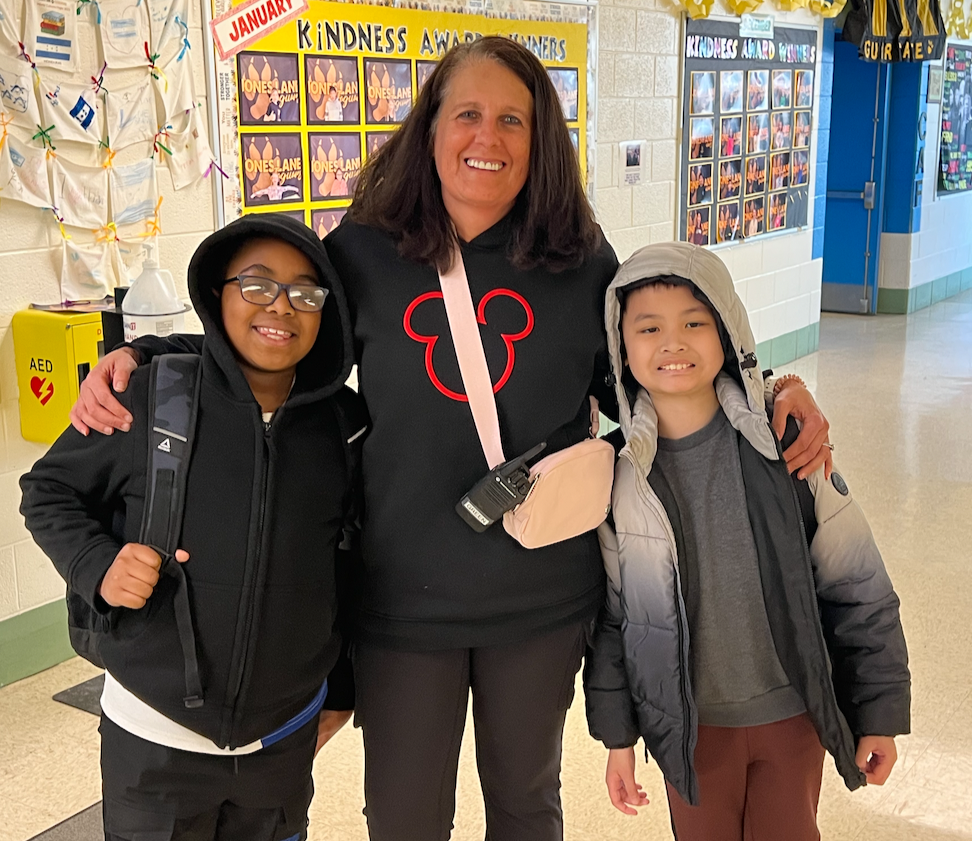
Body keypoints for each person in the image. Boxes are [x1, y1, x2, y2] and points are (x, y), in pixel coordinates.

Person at [68, 37, 833, 841]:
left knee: (526, 803)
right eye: (467, 114)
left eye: (513, 120)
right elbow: (272, 345)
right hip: (400, 599)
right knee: (404, 815)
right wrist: (147, 355)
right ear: (431, 127)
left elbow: (657, 383)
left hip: (540, 597)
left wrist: (776, 389)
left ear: (540, 141)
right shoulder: (364, 252)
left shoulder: (580, 258)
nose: (487, 137)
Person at [22, 214, 364, 841]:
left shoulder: (344, 427)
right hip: (154, 737)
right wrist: (98, 565)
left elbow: (349, 562)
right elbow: (48, 491)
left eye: (306, 293)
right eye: (256, 285)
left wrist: (341, 686)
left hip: (282, 739)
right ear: (215, 294)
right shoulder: (149, 395)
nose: (280, 307)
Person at [584, 242, 911, 841]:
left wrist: (880, 712)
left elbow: (858, 585)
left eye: (694, 323)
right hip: (691, 730)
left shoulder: (790, 444)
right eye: (649, 328)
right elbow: (615, 618)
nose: (673, 343)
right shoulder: (617, 477)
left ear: (728, 333)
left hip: (792, 714)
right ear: (621, 348)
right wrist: (618, 738)